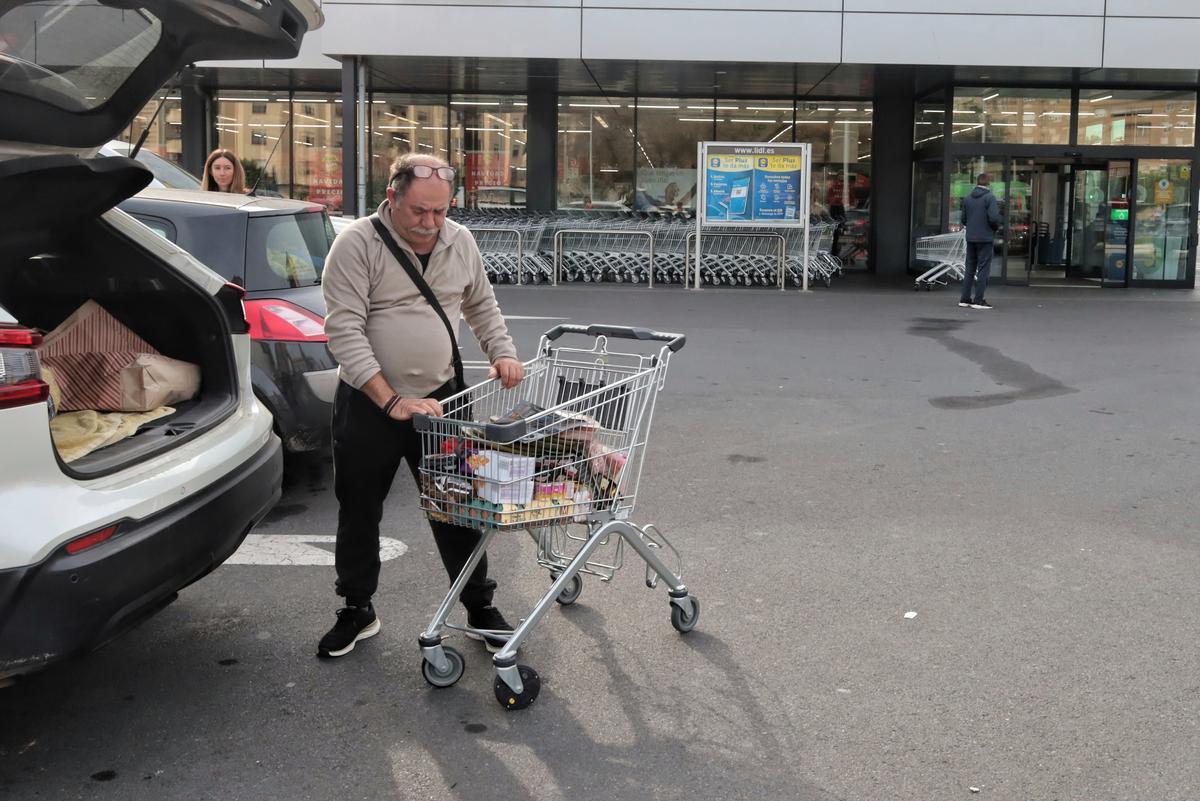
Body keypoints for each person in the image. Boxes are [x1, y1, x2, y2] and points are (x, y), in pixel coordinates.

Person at [317, 153, 525, 658]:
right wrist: (391, 401)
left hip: (443, 400)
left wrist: (502, 351)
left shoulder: (460, 241)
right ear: (392, 198)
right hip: (372, 404)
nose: (430, 223)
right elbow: (343, 331)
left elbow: (480, 302)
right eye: (419, 212)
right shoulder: (356, 244)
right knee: (360, 509)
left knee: (458, 509)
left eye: (440, 211)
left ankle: (478, 605)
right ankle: (356, 608)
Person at [959, 172, 1001, 310]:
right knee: (983, 269)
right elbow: (994, 218)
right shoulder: (990, 198)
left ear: (977, 183)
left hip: (971, 238)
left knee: (969, 268)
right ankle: (978, 300)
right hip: (985, 238)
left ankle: (965, 299)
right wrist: (994, 228)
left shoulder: (968, 198)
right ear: (988, 184)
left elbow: (963, 219)